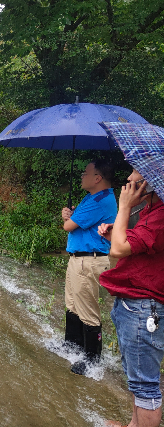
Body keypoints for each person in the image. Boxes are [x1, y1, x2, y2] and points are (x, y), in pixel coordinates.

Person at [98, 170, 164, 427]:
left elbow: (118, 249)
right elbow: (126, 245)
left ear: (151, 181)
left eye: (135, 176)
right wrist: (117, 230)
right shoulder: (151, 211)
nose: (128, 179)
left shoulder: (160, 215)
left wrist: (123, 206)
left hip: (144, 306)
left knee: (146, 386)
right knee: (137, 378)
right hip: (136, 304)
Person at [61, 159, 117, 375]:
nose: (82, 176)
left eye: (86, 173)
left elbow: (69, 225)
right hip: (79, 259)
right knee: (73, 304)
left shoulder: (100, 201)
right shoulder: (94, 197)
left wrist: (67, 218)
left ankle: (92, 361)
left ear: (97, 178)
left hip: (88, 260)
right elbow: (75, 219)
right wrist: (71, 214)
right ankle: (72, 346)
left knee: (87, 310)